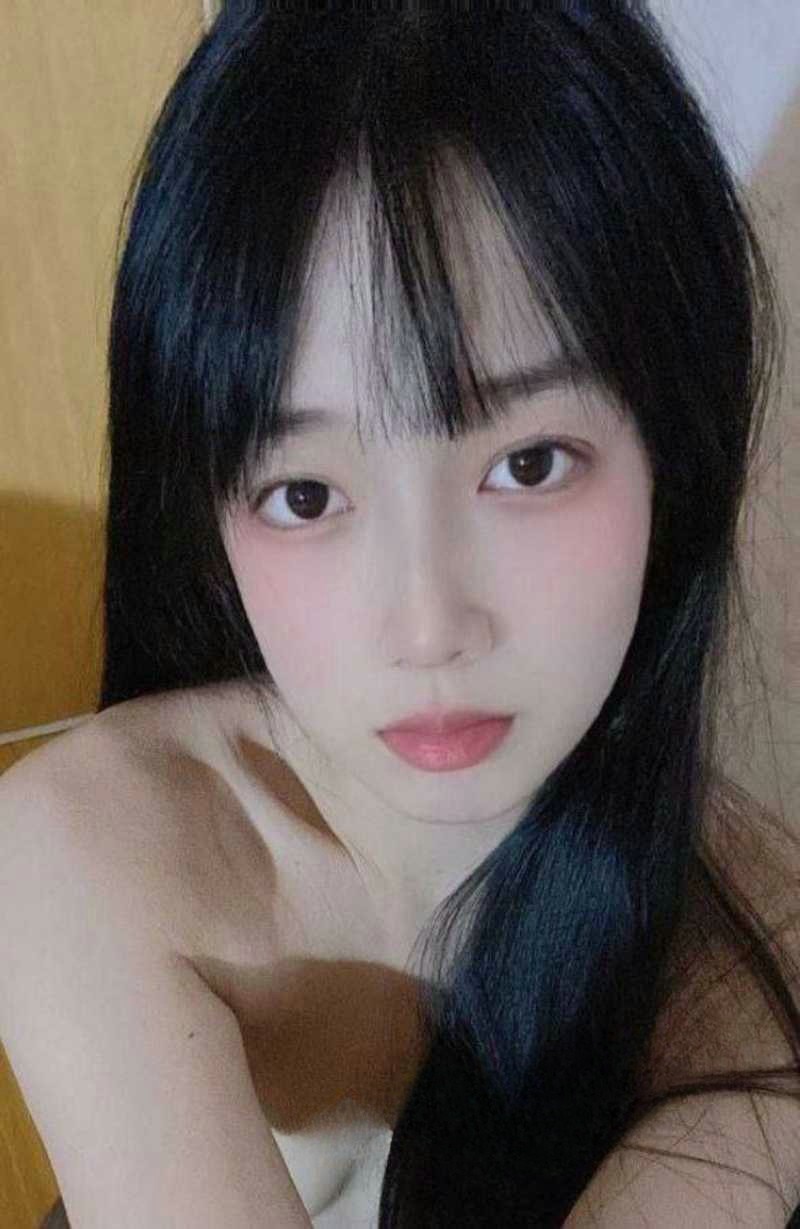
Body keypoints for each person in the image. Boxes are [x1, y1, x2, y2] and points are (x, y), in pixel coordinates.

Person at [3, 2, 800, 1226]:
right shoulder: (87, 851)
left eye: (527, 464)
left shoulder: (748, 945)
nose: (427, 628)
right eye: (305, 494)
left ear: (672, 453)